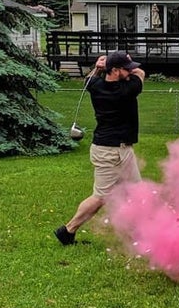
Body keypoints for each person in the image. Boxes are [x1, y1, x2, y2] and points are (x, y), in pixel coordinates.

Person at [55, 50, 145, 245]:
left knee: (136, 192)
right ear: (114, 71)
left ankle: (139, 233)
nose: (130, 71)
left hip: (121, 150)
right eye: (125, 69)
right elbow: (141, 74)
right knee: (100, 198)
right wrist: (128, 65)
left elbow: (89, 80)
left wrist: (97, 68)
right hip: (109, 151)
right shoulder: (126, 90)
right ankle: (67, 231)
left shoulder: (96, 85)